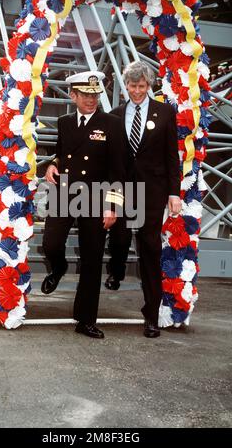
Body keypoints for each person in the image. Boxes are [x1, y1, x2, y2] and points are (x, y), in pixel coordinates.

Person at [41, 71, 125, 339]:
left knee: (92, 260)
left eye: (95, 95)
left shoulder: (111, 123)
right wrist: (52, 165)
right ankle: (59, 266)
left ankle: (85, 319)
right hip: (65, 193)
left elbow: (119, 170)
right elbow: (63, 152)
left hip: (97, 197)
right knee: (50, 244)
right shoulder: (64, 122)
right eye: (86, 95)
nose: (91, 100)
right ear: (73, 95)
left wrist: (113, 206)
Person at [105, 61, 182, 338]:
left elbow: (172, 156)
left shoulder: (164, 113)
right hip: (122, 190)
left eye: (142, 86)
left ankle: (151, 314)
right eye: (132, 86)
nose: (136, 91)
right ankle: (116, 270)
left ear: (149, 85)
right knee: (120, 236)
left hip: (153, 192)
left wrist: (174, 192)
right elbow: (111, 160)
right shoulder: (115, 115)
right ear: (125, 85)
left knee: (150, 250)